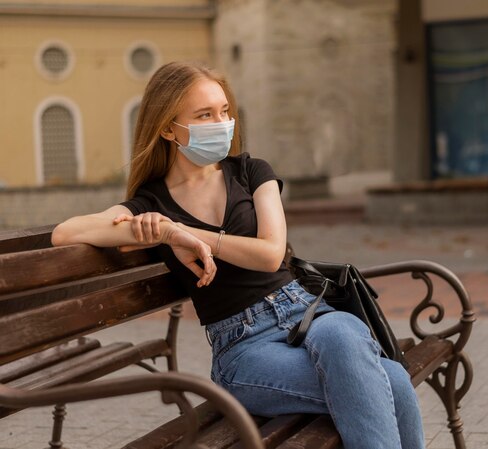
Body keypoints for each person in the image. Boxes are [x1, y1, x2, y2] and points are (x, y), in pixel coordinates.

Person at [51, 60, 425, 449]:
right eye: (205, 114)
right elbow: (67, 233)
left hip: (307, 310)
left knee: (344, 337)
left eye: (224, 111)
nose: (221, 123)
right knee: (392, 382)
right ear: (167, 128)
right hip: (244, 348)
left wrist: (186, 233)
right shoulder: (150, 202)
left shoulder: (250, 171)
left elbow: (269, 254)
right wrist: (163, 229)